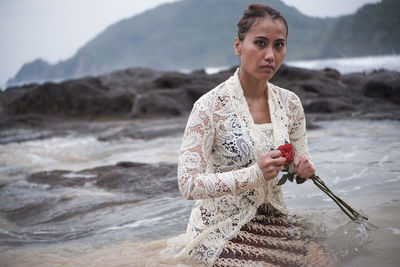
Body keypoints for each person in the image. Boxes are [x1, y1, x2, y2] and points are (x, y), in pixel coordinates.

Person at [164, 3, 335, 266]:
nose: (270, 55)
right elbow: (188, 184)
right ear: (238, 46)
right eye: (260, 43)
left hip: (273, 218)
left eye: (279, 45)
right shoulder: (209, 107)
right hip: (221, 226)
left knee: (326, 257)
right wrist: (254, 174)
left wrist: (302, 166)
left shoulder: (290, 103)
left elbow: (300, 160)